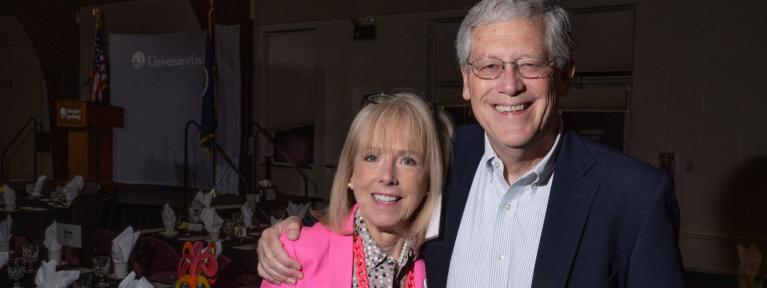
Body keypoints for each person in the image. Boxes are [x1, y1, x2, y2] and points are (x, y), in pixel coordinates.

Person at [258, 0, 685, 287]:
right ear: (466, 81)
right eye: (489, 66)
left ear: (564, 75)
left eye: (530, 64)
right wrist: (285, 238)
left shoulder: (635, 198)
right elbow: (375, 204)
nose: (509, 85)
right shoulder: (438, 160)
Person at [261, 92, 452, 287]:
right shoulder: (293, 254)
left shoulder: (444, 262)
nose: (387, 176)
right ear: (350, 174)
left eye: (407, 161)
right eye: (372, 157)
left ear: (428, 181)